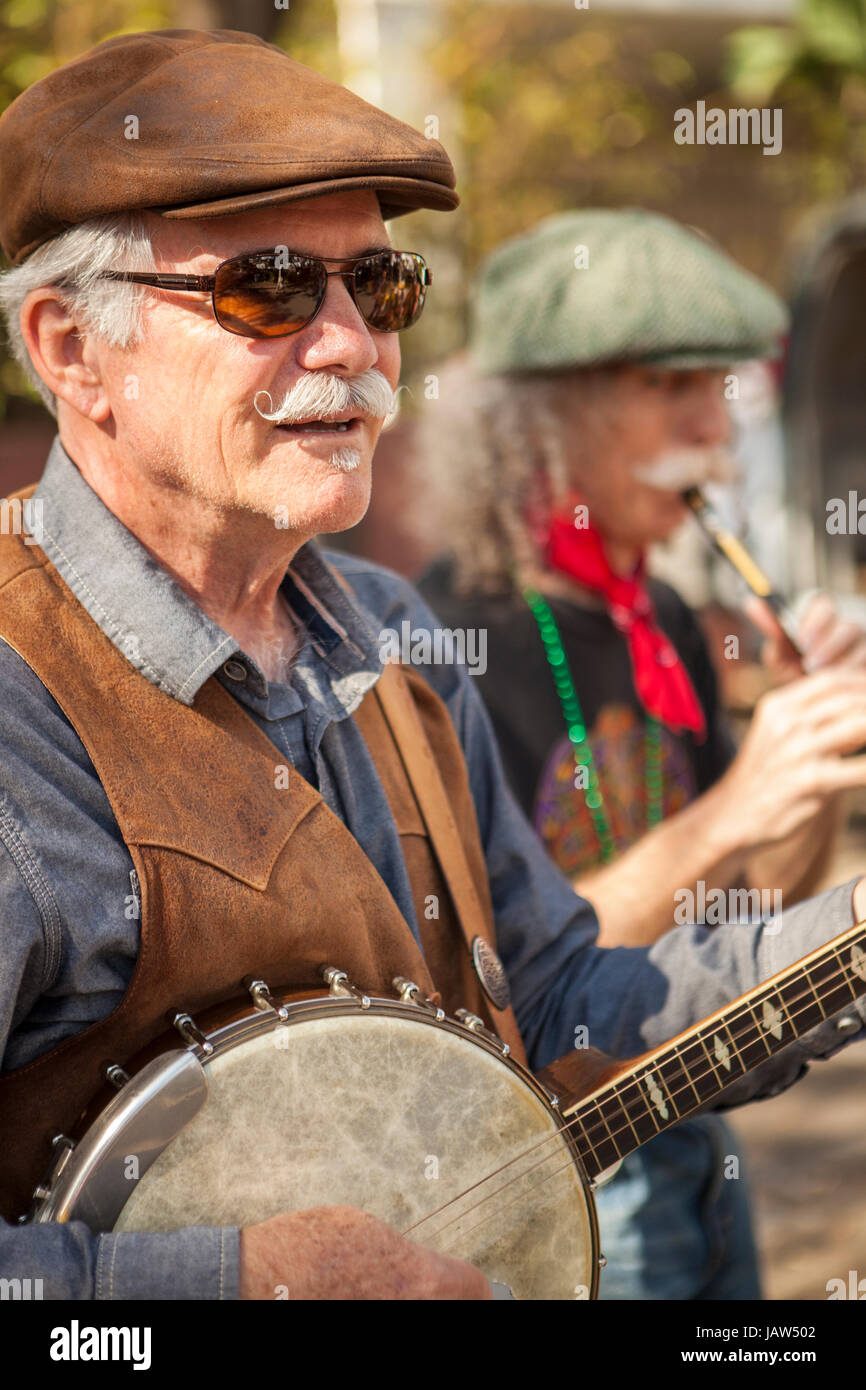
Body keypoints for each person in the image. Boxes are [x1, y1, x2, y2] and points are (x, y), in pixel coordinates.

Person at [1, 33, 866, 1303]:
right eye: (273, 287)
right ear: (73, 351)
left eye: (380, 287)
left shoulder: (397, 642)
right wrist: (232, 1281)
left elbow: (568, 1000)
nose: (353, 344)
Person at [417, 209, 866, 1299]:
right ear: (540, 419)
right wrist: (731, 805)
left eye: (716, 388)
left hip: (695, 1124)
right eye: (670, 389)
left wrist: (800, 776)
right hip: (554, 1173)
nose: (711, 433)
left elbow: (756, 911)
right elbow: (516, 993)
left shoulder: (662, 613)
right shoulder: (443, 642)